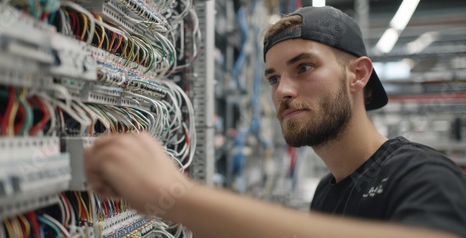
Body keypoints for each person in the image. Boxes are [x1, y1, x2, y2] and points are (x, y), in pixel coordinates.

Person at [84, 6, 466, 238]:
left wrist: (175, 196)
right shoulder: (326, 192)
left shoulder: (422, 174)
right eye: (272, 78)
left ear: (358, 75)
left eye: (303, 67)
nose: (282, 90)